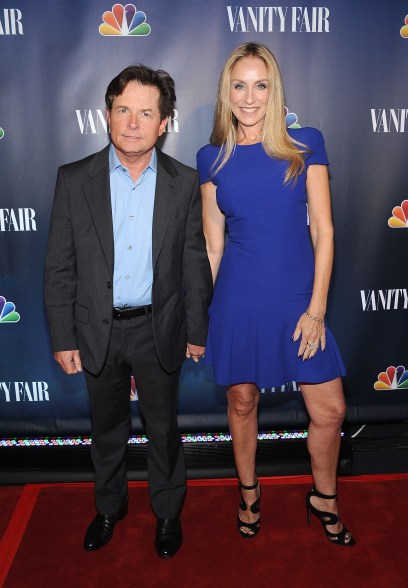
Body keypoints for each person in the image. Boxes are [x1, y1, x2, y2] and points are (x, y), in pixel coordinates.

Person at [45, 64, 212, 558]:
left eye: (146, 113)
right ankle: (108, 508)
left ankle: (166, 514)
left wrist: (197, 330)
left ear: (164, 123)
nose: (133, 122)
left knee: (163, 430)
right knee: (106, 431)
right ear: (107, 115)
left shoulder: (184, 183)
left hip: (158, 329)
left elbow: (194, 263)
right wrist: (62, 336)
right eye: (124, 110)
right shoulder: (74, 180)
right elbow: (59, 265)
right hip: (97, 331)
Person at [197, 42, 355, 545]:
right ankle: (248, 492)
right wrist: (207, 320)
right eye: (239, 86)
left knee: (329, 411)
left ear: (274, 90)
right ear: (227, 92)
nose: (249, 97)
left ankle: (323, 497)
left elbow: (324, 232)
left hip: (297, 301)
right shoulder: (211, 157)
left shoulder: (305, 143)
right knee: (242, 401)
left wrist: (316, 310)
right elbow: (213, 249)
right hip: (237, 301)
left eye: (260, 85)